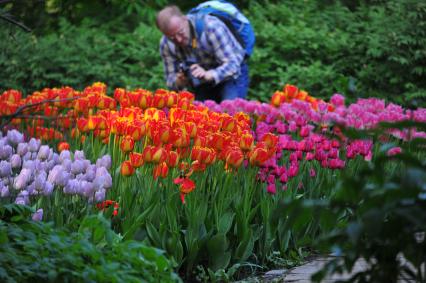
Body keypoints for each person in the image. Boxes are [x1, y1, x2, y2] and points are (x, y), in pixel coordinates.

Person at [156, 5, 250, 103]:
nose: (178, 39)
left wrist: (209, 74)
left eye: (180, 32)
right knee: (201, 115)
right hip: (202, 82)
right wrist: (180, 81)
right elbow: (170, 80)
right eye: (172, 38)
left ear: (185, 19)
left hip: (232, 74)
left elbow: (233, 63)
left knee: (230, 112)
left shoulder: (211, 27)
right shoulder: (165, 44)